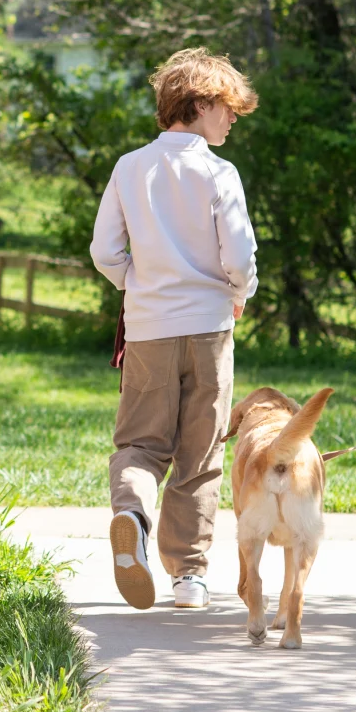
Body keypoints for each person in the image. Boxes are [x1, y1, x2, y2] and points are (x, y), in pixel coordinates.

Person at [91, 47, 259, 612]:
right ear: (201, 104)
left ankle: (130, 517)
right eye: (228, 108)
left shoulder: (129, 166)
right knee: (200, 450)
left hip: (147, 330)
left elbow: (104, 251)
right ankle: (188, 574)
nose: (232, 119)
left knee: (140, 443)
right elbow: (238, 255)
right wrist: (239, 294)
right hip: (209, 328)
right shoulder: (218, 172)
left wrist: (134, 284)